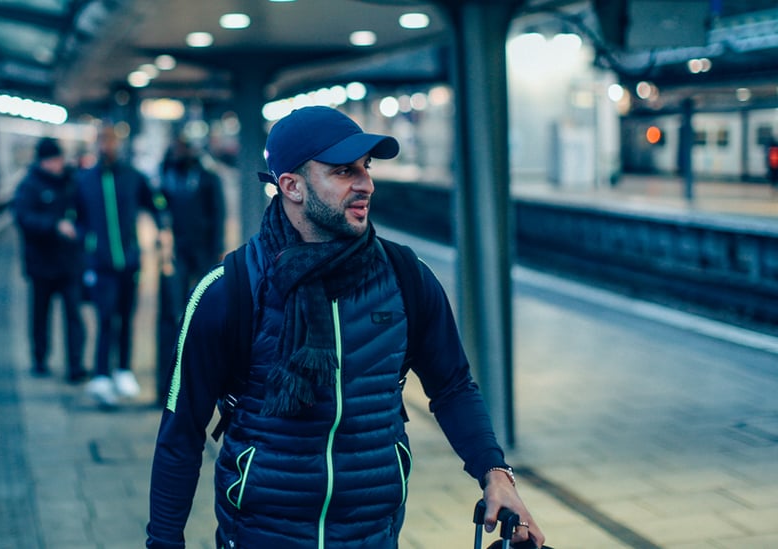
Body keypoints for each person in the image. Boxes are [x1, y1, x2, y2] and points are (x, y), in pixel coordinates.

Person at [146, 106, 545, 548]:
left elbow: (452, 386)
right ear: (291, 186)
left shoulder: (406, 278)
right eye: (342, 171)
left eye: (366, 167)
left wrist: (495, 473)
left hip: (371, 536)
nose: (366, 184)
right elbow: (181, 436)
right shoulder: (230, 292)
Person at [76, 124, 165, 407]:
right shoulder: (85, 180)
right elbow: (75, 217)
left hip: (130, 260)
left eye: (110, 142)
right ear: (97, 145)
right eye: (103, 142)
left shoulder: (132, 176)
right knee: (104, 318)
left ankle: (123, 370)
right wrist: (85, 239)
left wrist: (162, 226)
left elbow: (154, 202)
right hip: (100, 263)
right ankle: (101, 373)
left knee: (127, 317)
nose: (107, 147)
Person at [11, 137, 86, 382]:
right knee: (41, 315)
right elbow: (23, 218)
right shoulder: (29, 186)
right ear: (42, 161)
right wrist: (55, 226)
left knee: (74, 316)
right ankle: (40, 359)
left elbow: (86, 213)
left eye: (58, 159)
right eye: (52, 160)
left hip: (69, 263)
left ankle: (75, 365)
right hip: (41, 265)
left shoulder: (72, 182)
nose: (57, 164)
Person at [157, 134, 227, 292]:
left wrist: (219, 246)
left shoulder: (207, 177)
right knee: (180, 289)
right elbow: (161, 204)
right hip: (180, 244)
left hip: (204, 244)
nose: (178, 153)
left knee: (205, 288)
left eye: (181, 149)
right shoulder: (170, 178)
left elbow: (218, 214)